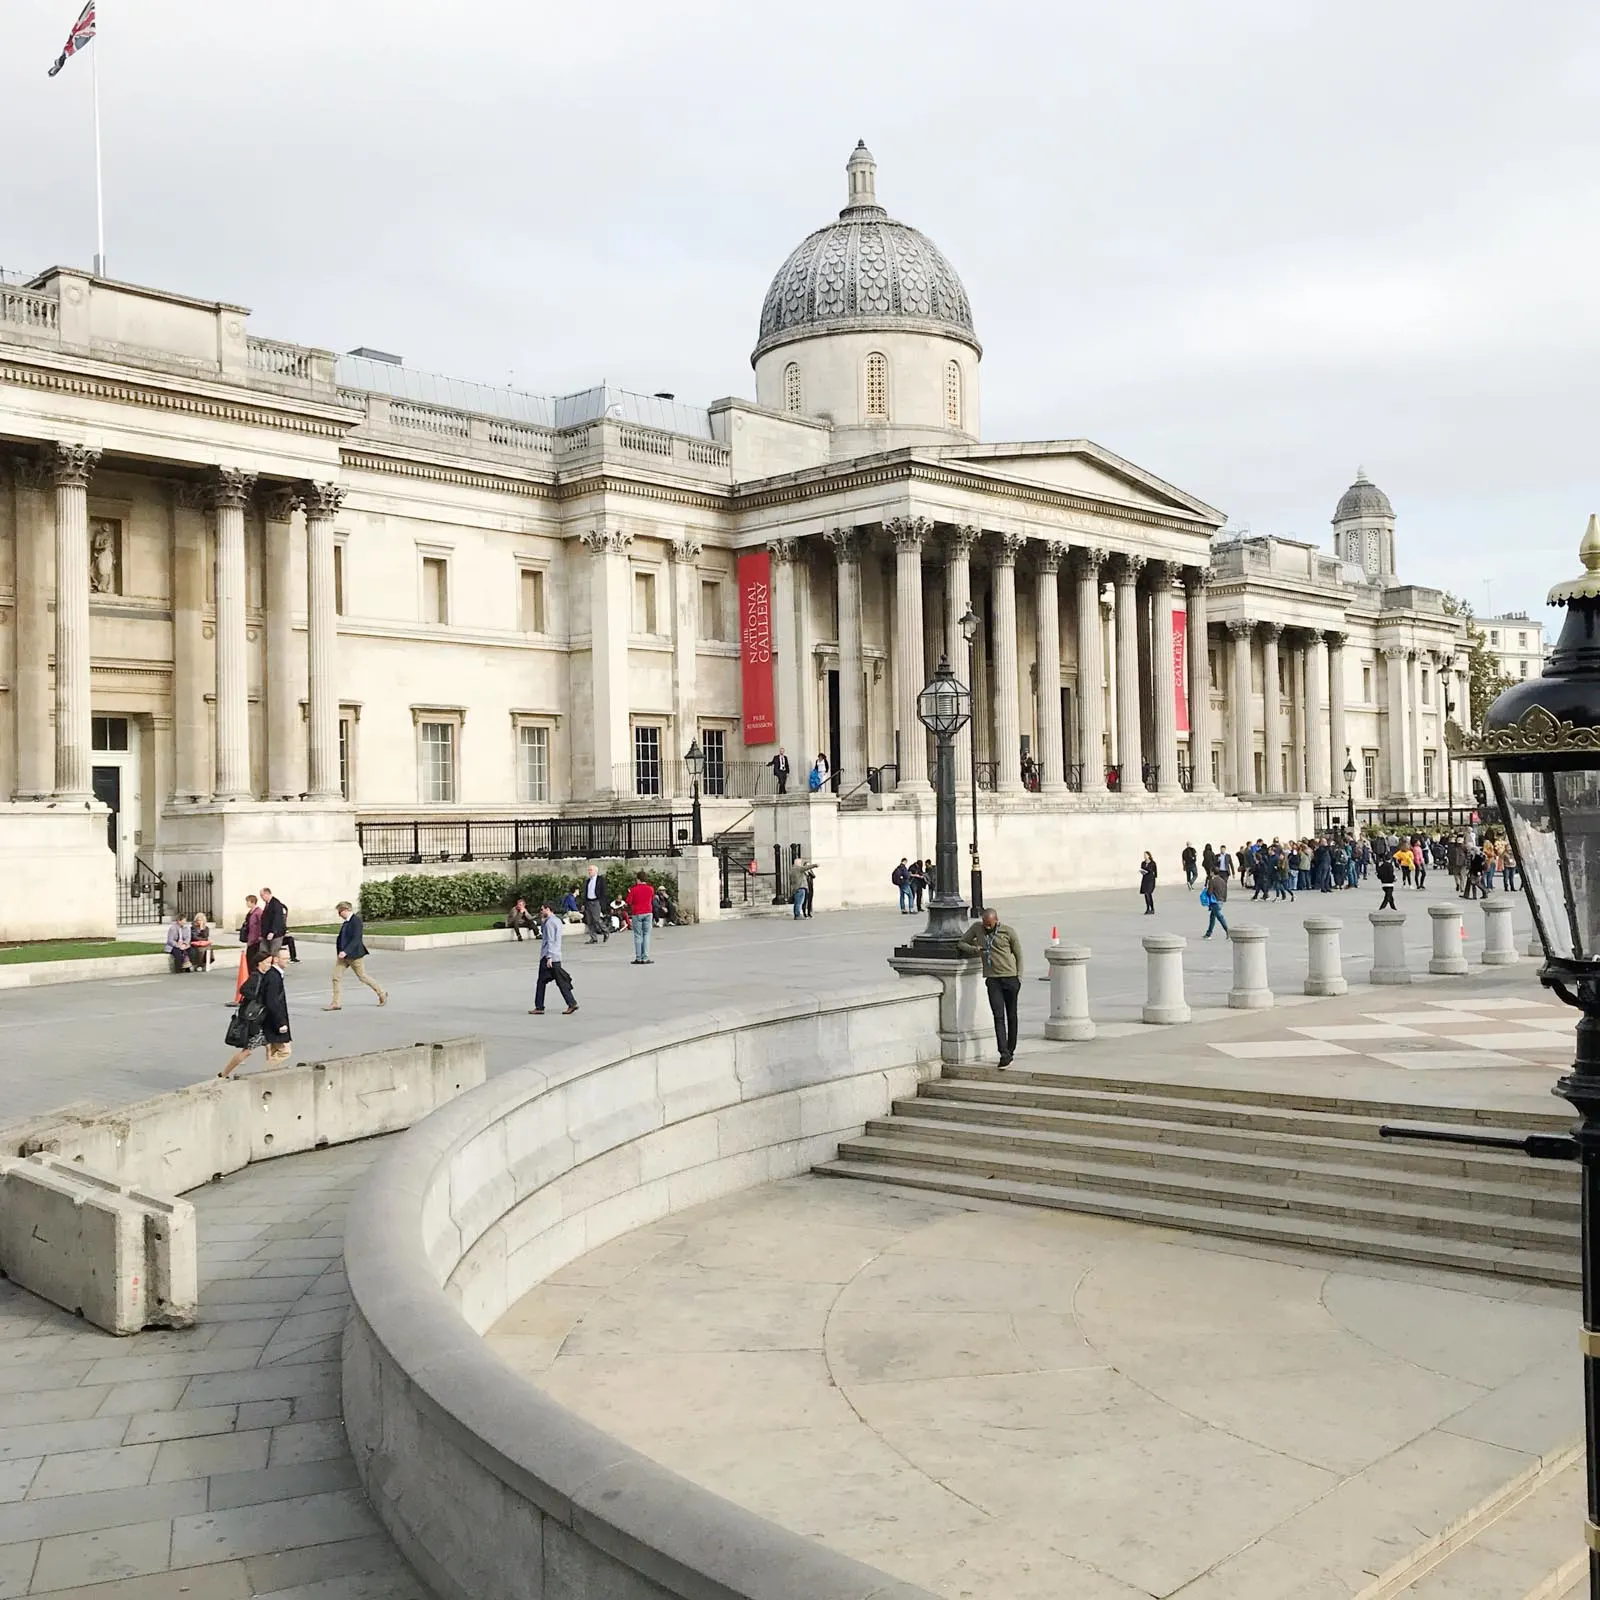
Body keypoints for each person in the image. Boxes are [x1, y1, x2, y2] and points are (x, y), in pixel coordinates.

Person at [957, 908, 1024, 1068]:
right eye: (985, 924)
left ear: (996, 920)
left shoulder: (1008, 932)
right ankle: (1003, 1053)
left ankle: (1011, 1048)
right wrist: (975, 949)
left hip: (1010, 978)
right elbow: (961, 942)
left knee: (1012, 1015)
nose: (987, 928)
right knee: (998, 1016)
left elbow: (1019, 954)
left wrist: (1019, 977)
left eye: (990, 925)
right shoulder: (976, 928)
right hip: (993, 979)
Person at [221, 949, 291, 1077]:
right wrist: (258, 997)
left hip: (262, 1018)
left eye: (270, 963)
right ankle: (225, 1073)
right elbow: (243, 990)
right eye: (267, 963)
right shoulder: (255, 976)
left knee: (269, 1046)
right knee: (247, 1050)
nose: (269, 966)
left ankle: (270, 1070)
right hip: (254, 1018)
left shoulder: (265, 976)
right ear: (260, 963)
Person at [326, 900, 387, 1010]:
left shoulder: (356, 921)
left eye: (340, 912)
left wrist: (346, 951)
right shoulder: (346, 923)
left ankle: (381, 992)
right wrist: (340, 951)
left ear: (345, 910)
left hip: (354, 955)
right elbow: (341, 938)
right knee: (336, 977)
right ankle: (336, 1003)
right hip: (343, 957)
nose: (339, 915)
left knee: (362, 976)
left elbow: (356, 939)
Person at [529, 904, 578, 1015]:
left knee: (541, 982)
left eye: (542, 909)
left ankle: (540, 1006)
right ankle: (571, 1002)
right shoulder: (556, 921)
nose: (541, 911)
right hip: (556, 955)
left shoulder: (550, 923)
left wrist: (549, 957)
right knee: (560, 981)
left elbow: (550, 940)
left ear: (548, 909)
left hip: (548, 956)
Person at [626, 870, 657, 964]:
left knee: (638, 935)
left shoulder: (634, 889)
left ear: (638, 879)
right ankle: (645, 957)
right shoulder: (650, 889)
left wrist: (629, 892)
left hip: (637, 913)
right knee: (646, 935)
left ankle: (638, 957)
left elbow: (629, 901)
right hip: (648, 912)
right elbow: (651, 898)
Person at [581, 864, 609, 944]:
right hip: (588, 901)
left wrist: (602, 902)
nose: (589, 872)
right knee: (589, 921)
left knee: (596, 919)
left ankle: (605, 931)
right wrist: (584, 903)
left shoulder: (600, 879)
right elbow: (586, 893)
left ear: (595, 871)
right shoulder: (588, 881)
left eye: (591, 870)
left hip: (596, 901)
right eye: (588, 870)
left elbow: (603, 892)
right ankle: (593, 937)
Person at [1201, 866, 1229, 939]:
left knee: (1219, 916)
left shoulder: (1212, 881)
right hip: (1221, 900)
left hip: (1215, 901)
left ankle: (1228, 930)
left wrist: (1206, 890)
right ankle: (1208, 933)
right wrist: (1224, 899)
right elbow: (1225, 891)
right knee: (1212, 917)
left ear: (1212, 872)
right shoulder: (1222, 880)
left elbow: (1209, 893)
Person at [258, 887, 288, 957]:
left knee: (274, 953)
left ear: (267, 894)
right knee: (264, 953)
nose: (261, 897)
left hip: (275, 934)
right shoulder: (268, 904)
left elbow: (277, 919)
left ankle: (274, 967)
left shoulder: (276, 904)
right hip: (266, 933)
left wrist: (272, 931)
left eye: (262, 895)